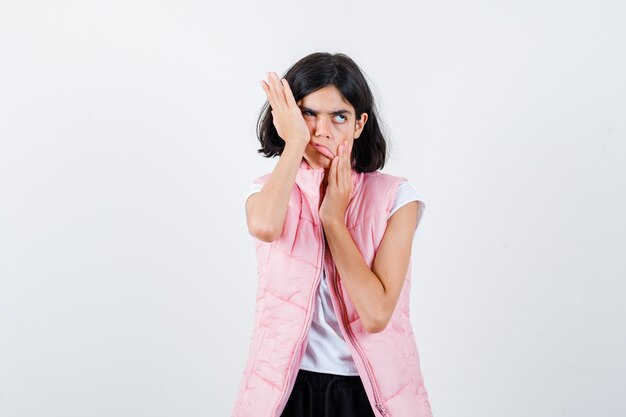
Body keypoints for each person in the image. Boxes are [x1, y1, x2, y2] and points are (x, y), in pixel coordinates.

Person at [232, 52, 434, 417]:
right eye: (308, 114)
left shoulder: (396, 197)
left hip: (369, 394)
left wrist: (333, 220)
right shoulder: (267, 190)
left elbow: (375, 315)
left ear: (359, 124)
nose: (321, 130)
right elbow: (264, 226)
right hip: (285, 391)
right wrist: (294, 144)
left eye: (339, 116)